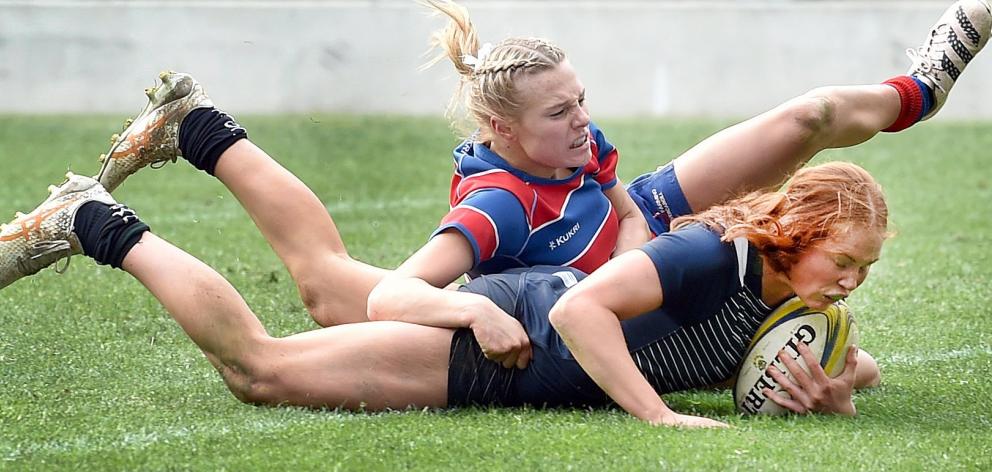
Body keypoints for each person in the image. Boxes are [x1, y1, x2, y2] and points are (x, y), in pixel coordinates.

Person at [0, 160, 884, 427]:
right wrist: (660, 418)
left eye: (865, 271)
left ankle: (191, 141)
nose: (851, 282)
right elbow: (580, 311)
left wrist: (840, 385)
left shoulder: (798, 301)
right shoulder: (706, 257)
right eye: (844, 259)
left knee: (321, 291)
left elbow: (862, 362)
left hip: (516, 359)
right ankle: (96, 221)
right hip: (501, 342)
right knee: (257, 370)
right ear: (795, 231)